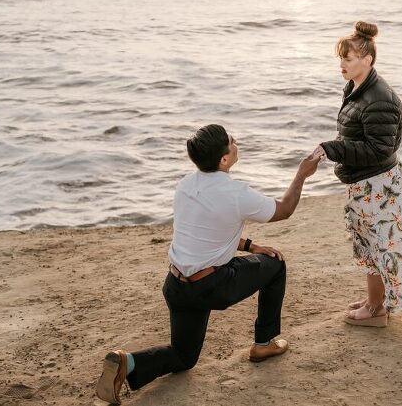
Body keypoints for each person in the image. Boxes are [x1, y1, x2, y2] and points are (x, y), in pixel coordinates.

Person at [96, 124, 321, 404]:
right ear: (224, 159)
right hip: (212, 286)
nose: (236, 141)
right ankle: (264, 344)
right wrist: (302, 173)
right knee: (276, 265)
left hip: (176, 286)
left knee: (184, 357)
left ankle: (126, 362)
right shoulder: (237, 193)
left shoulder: (186, 185)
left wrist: (251, 246)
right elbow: (285, 209)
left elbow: (205, 232)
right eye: (232, 140)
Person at [313, 21, 402, 327]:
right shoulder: (359, 87)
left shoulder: (379, 97)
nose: (342, 64)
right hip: (364, 181)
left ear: (367, 60)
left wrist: (334, 149)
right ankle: (376, 301)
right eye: (341, 58)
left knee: (385, 245)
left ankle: (375, 310)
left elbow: (379, 149)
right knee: (371, 243)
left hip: (376, 183)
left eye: (349, 58)